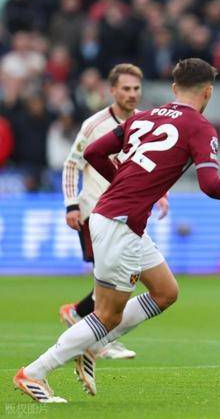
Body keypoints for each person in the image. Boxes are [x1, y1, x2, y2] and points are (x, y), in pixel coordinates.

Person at [13, 58, 220, 403]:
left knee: (165, 292)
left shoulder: (143, 117)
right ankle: (34, 373)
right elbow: (210, 184)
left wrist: (122, 181)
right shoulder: (199, 127)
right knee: (107, 314)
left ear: (174, 88)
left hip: (122, 219)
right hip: (118, 223)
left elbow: (94, 152)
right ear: (208, 92)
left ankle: (92, 346)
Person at [60, 63, 165, 360]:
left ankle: (80, 316)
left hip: (127, 213)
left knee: (117, 277)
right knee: (113, 279)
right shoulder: (94, 125)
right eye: (126, 88)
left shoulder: (146, 123)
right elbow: (72, 164)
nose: (132, 94)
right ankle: (99, 338)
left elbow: (148, 164)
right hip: (95, 211)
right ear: (112, 91)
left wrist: (161, 193)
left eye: (136, 88)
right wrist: (71, 204)